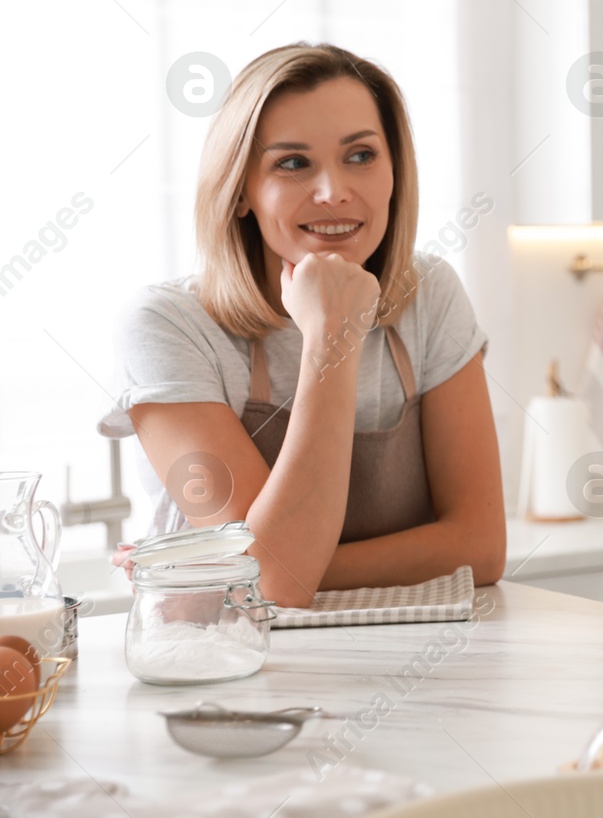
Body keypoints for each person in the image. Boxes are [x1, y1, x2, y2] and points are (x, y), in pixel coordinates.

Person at [100, 44, 505, 607]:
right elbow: (275, 584)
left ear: (395, 172)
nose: (333, 190)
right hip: (229, 673)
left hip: (414, 662)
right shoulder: (166, 327)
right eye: (292, 163)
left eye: (361, 155)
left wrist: (273, 564)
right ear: (241, 189)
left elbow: (480, 546)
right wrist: (331, 338)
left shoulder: (428, 294)